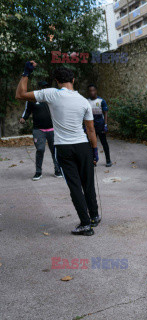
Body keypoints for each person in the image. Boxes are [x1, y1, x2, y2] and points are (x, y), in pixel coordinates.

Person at [15, 62, 100, 236]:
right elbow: (91, 130)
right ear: (73, 80)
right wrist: (94, 151)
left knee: (75, 186)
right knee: (88, 183)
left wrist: (26, 73)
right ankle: (94, 216)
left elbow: (20, 94)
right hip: (83, 146)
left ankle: (85, 224)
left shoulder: (52, 94)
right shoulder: (84, 101)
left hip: (64, 148)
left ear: (56, 81)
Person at [19, 80, 62, 180]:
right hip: (38, 130)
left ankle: (57, 170)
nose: (45, 88)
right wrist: (23, 118)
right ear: (39, 88)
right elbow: (27, 110)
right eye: (43, 87)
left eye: (46, 86)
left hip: (52, 129)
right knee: (40, 150)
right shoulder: (32, 99)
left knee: (54, 150)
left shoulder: (52, 98)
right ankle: (38, 172)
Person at [86, 84, 112, 167]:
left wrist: (105, 124)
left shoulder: (101, 101)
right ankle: (93, 160)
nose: (92, 92)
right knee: (91, 143)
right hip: (91, 125)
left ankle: (108, 160)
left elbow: (105, 112)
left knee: (104, 143)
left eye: (93, 90)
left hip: (100, 124)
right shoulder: (87, 101)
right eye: (90, 91)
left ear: (96, 91)